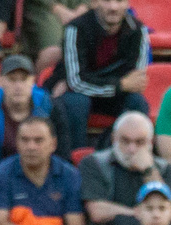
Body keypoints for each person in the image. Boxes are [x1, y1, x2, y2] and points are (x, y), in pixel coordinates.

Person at [54, 0, 149, 155]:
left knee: (137, 102)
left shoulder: (138, 30)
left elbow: (136, 82)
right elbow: (77, 82)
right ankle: (75, 160)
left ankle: (128, 157)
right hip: (80, 95)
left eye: (119, 1)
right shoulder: (76, 28)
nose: (113, 7)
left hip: (111, 96)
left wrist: (120, 86)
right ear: (94, 2)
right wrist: (119, 85)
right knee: (76, 102)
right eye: (106, 1)